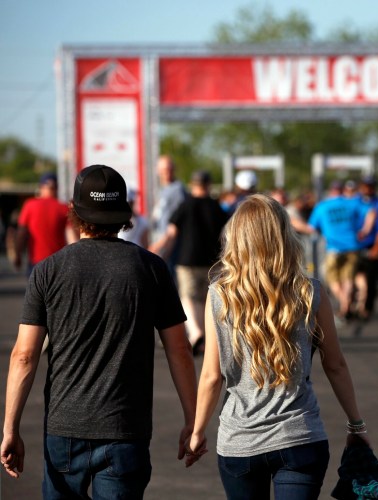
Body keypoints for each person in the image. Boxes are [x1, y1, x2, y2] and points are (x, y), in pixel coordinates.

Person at [1, 164, 197, 497]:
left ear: (74, 212)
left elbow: (24, 355)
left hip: (64, 429)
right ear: (124, 213)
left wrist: (10, 428)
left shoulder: (49, 270)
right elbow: (179, 349)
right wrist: (193, 421)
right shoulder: (151, 268)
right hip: (126, 430)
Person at [185, 194, 369, 499]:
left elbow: (211, 376)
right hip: (300, 437)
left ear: (237, 238)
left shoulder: (220, 294)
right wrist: (356, 425)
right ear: (284, 235)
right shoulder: (310, 291)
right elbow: (335, 364)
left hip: (240, 441)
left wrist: (197, 432)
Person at [150, 170, 228, 354]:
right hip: (212, 261)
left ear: (193, 184)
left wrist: (157, 250)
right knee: (206, 299)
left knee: (188, 297)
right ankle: (203, 340)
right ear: (208, 185)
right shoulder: (216, 207)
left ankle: (195, 332)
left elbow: (171, 233)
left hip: (187, 260)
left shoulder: (185, 205)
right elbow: (225, 235)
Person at [307, 181, 363, 321]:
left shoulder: (322, 206)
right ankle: (346, 305)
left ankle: (343, 302)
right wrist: (364, 231)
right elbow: (369, 214)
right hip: (352, 246)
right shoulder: (352, 204)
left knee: (332, 279)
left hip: (333, 247)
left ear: (331, 191)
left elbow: (312, 226)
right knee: (348, 278)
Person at [13, 173, 75, 274]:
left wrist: (18, 255)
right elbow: (71, 238)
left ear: (41, 188)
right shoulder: (64, 208)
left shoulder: (29, 205)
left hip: (36, 262)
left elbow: (21, 233)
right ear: (57, 188)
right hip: (58, 263)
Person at [352, 176, 378, 321]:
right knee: (352, 278)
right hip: (353, 246)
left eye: (371, 185)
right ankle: (352, 305)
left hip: (371, 245)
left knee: (371, 280)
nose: (368, 188)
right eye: (365, 185)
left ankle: (366, 308)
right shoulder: (354, 202)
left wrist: (377, 248)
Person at [151, 155, 186, 277]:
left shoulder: (177, 190)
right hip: (162, 241)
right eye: (164, 170)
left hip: (171, 245)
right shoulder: (163, 189)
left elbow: (176, 224)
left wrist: (160, 244)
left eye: (170, 169)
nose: (167, 173)